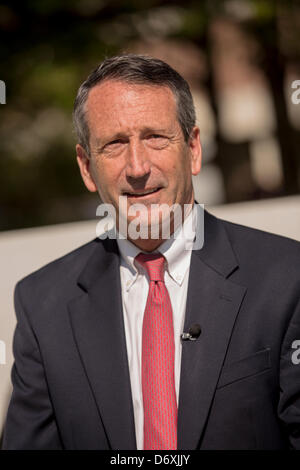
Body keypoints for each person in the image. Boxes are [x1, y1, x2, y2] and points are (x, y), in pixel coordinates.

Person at [2, 54, 300, 450]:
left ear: (193, 149)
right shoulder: (43, 306)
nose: (138, 166)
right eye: (114, 144)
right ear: (87, 167)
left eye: (156, 137)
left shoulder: (286, 279)